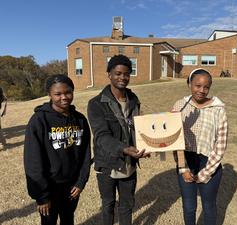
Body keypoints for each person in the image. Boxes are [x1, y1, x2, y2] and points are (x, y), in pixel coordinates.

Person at [87, 54, 149, 225]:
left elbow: (137, 127)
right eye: (118, 73)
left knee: (127, 204)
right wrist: (124, 148)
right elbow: (101, 136)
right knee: (108, 205)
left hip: (129, 163)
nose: (123, 77)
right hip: (107, 164)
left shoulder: (133, 100)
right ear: (109, 74)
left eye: (127, 74)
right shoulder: (96, 103)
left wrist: (147, 144)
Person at [24, 74, 91, 225]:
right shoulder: (39, 120)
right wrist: (42, 196)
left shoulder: (80, 119)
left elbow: (86, 154)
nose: (64, 97)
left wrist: (81, 182)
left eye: (68, 92)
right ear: (49, 94)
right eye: (58, 94)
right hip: (49, 187)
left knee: (68, 219)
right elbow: (33, 161)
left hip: (72, 186)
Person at [173, 69, 228, 225]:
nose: (201, 91)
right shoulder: (180, 105)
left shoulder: (218, 109)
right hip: (187, 162)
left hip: (209, 163)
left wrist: (206, 173)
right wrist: (183, 168)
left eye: (206, 87)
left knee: (209, 206)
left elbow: (221, 144)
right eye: (197, 85)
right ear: (190, 84)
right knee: (189, 207)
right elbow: (175, 140)